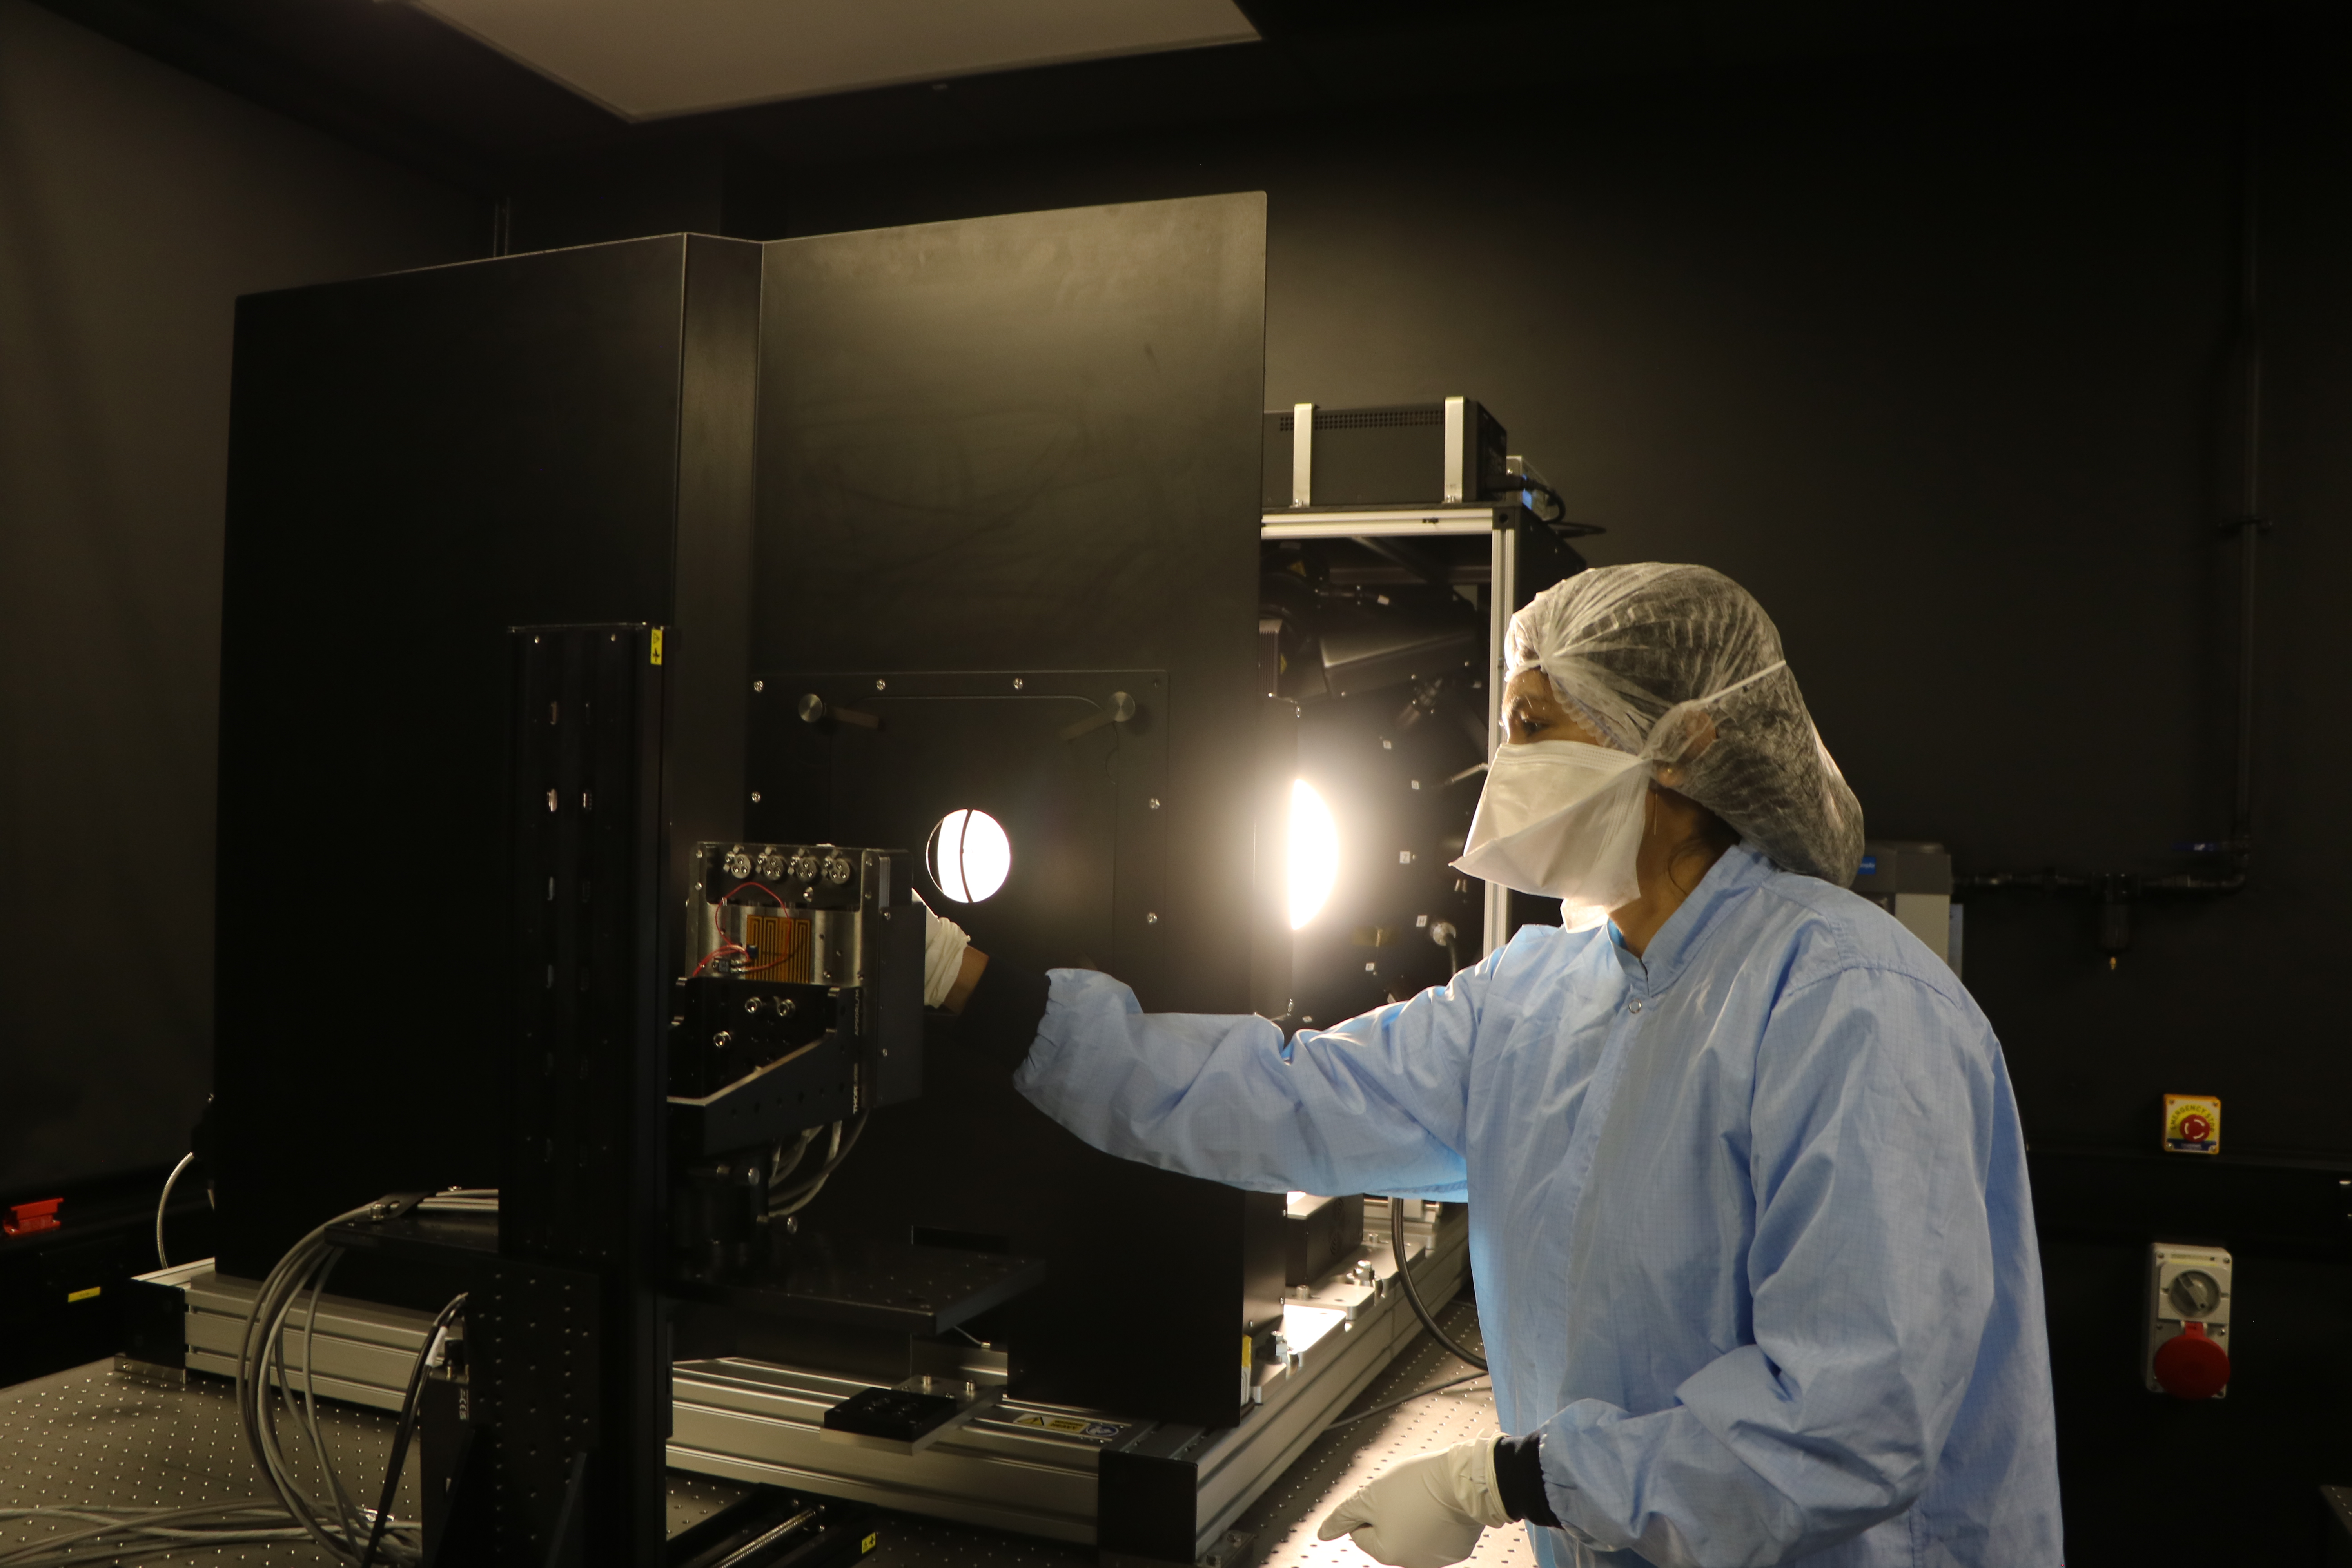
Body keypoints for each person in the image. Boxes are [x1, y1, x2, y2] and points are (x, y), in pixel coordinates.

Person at [922, 563, 2062, 1567]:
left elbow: (1847, 1421)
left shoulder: (1848, 1002)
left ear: (1684, 744)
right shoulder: (1542, 993)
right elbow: (1289, 1097)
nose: (1503, 765)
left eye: (1533, 725)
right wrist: (970, 985)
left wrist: (1505, 1482)